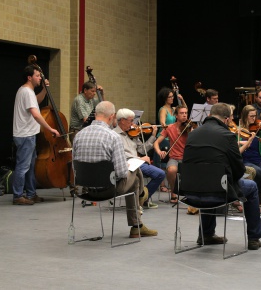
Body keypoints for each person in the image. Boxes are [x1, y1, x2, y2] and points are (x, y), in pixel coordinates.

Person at [181, 103, 261, 250]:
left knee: (208, 181)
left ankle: (206, 234)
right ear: (226, 120)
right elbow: (239, 169)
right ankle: (253, 238)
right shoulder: (227, 136)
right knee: (252, 187)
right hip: (218, 193)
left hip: (190, 192)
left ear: (209, 116)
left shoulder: (192, 134)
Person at [72, 101, 158, 237]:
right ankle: (140, 207)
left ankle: (138, 221)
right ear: (112, 116)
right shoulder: (113, 137)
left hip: (84, 190)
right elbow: (121, 173)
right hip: (108, 190)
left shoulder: (78, 135)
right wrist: (128, 165)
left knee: (134, 175)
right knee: (134, 176)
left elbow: (74, 168)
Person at [11, 65, 60, 205]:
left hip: (28, 134)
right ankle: (18, 196)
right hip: (26, 135)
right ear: (29, 77)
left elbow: (37, 101)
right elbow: (36, 113)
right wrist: (50, 128)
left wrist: (44, 89)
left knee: (30, 166)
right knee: (23, 166)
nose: (40, 78)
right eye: (38, 76)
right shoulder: (26, 92)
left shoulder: (27, 91)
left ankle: (31, 194)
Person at [113, 108, 167, 209]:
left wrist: (153, 135)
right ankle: (141, 199)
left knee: (160, 174)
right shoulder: (114, 135)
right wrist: (140, 159)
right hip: (127, 164)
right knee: (160, 173)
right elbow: (120, 155)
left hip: (137, 163)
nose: (133, 123)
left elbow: (142, 150)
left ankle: (142, 199)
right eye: (131, 120)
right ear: (122, 121)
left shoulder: (132, 133)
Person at [236, 106, 261, 216]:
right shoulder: (239, 131)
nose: (254, 119)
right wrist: (247, 141)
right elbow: (237, 151)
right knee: (257, 171)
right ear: (245, 116)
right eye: (251, 116)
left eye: (255, 116)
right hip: (245, 160)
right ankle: (256, 198)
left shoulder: (258, 129)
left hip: (259, 159)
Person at [154, 105, 190, 203]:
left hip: (187, 158)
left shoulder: (189, 128)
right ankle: (173, 193)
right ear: (176, 116)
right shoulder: (170, 128)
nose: (184, 115)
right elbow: (156, 143)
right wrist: (159, 151)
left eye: (186, 113)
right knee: (171, 170)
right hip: (174, 158)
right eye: (182, 113)